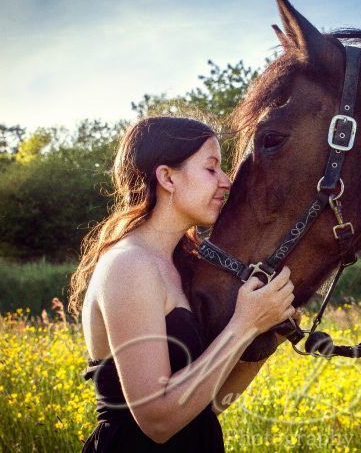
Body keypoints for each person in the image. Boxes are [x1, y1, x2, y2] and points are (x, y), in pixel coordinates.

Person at [67, 117, 298, 451]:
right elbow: (158, 421)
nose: (226, 181)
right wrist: (244, 325)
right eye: (211, 168)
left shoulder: (184, 266)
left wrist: (267, 336)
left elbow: (208, 404)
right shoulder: (129, 265)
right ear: (167, 177)